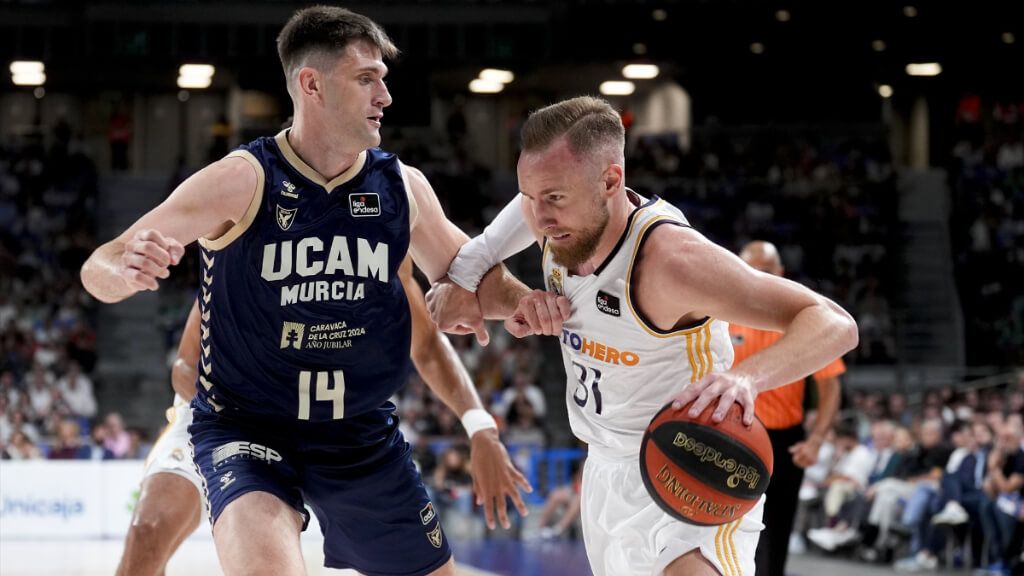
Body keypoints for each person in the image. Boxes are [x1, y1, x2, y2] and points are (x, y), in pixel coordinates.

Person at [82, 7, 528, 576]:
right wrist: (127, 270)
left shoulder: (401, 187)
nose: (386, 96)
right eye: (367, 78)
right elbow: (102, 263)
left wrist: (527, 304)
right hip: (248, 425)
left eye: (383, 79)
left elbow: (471, 273)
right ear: (310, 84)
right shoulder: (244, 179)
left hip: (355, 430)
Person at [426, 95, 859, 576]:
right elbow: (485, 262)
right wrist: (515, 299)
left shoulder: (673, 262)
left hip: (691, 463)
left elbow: (834, 323)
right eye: (529, 197)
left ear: (611, 181)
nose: (539, 217)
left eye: (554, 198)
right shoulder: (560, 224)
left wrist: (747, 380)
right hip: (605, 477)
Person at [116, 257, 504, 575]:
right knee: (147, 533)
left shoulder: (377, 255)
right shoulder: (243, 253)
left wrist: (478, 424)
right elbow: (185, 365)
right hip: (228, 415)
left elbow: (429, 344)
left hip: (335, 423)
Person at [729, 240, 844, 576]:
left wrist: (817, 439)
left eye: (765, 271)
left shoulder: (804, 320)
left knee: (776, 531)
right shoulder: (721, 317)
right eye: (750, 270)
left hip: (785, 441)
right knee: (727, 528)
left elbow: (830, 386)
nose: (757, 277)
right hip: (734, 436)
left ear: (780, 273)